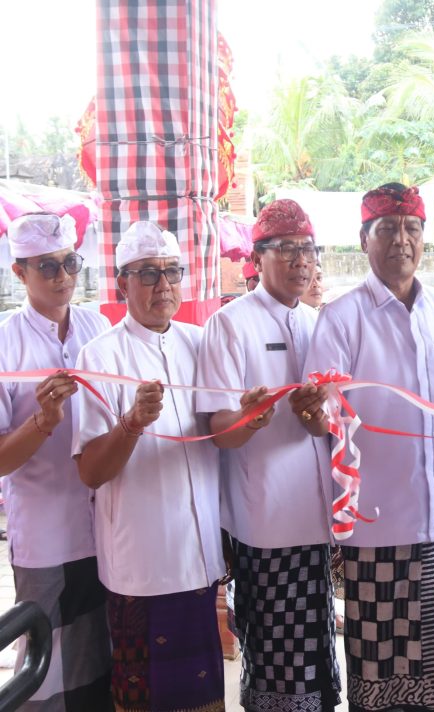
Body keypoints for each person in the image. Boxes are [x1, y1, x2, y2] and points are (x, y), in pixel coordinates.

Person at [304, 183, 434, 712]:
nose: (402, 240)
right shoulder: (341, 318)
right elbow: (321, 417)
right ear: (364, 240)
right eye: (388, 229)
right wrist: (315, 411)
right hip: (374, 527)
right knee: (378, 673)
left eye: (412, 228)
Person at [73, 222, 226, 712]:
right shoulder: (99, 356)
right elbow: (91, 472)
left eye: (171, 272)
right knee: (146, 699)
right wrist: (132, 422)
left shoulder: (203, 343)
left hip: (199, 557)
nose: (163, 285)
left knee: (203, 696)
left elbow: (224, 431)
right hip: (140, 566)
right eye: (147, 274)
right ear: (122, 284)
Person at [197, 199, 340, 711]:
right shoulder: (231, 325)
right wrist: (250, 419)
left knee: (317, 654)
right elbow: (218, 431)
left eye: (308, 250)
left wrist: (319, 419)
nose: (301, 261)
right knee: (277, 658)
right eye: (287, 250)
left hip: (318, 520)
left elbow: (334, 423)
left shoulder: (320, 322)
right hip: (265, 525)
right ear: (258, 259)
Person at [0, 213, 113, 710]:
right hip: (44, 532)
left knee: (100, 658)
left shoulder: (98, 327)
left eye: (70, 262)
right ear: (19, 273)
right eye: (48, 266)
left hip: (106, 525)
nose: (64, 276)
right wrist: (43, 419)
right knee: (44, 667)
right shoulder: (6, 342)